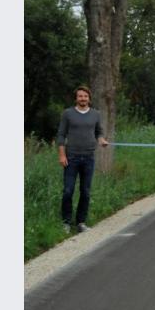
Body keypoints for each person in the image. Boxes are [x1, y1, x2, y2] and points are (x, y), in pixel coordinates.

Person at [57, 85, 109, 233]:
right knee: (68, 190)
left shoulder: (95, 114)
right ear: (76, 98)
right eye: (80, 96)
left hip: (88, 158)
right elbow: (61, 135)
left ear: (89, 98)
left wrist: (101, 140)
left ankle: (81, 222)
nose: (83, 98)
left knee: (85, 191)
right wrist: (62, 154)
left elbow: (99, 132)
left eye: (85, 96)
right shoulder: (68, 114)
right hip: (71, 158)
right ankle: (66, 222)